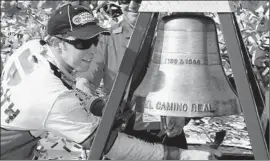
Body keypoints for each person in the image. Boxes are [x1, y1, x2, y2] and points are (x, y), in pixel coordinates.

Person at [0, 2, 220, 160]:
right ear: (57, 43)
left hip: (158, 128)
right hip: (122, 133)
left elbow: (65, 88)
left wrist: (97, 105)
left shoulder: (32, 49)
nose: (93, 48)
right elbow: (107, 143)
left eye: (95, 39)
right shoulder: (54, 99)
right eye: (82, 44)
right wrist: (183, 156)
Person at [79, 0, 191, 150]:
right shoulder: (108, 38)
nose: (132, 5)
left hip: (165, 132)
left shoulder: (173, 37)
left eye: (139, 0)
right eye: (125, 0)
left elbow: (190, 85)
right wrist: (96, 106)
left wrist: (181, 114)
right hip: (123, 134)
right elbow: (85, 82)